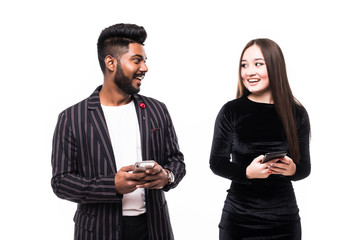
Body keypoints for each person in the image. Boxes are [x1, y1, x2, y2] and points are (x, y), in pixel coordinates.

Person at [51, 23, 186, 240]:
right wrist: (111, 185)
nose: (145, 68)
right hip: (98, 231)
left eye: (144, 61)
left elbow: (176, 161)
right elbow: (61, 182)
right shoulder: (71, 118)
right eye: (136, 60)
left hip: (154, 229)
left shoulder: (157, 109)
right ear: (111, 62)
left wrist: (166, 177)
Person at [209, 38, 311, 239]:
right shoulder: (231, 111)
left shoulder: (297, 113)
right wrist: (246, 172)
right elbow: (216, 163)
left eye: (258, 64)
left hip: (284, 221)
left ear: (275, 67)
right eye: (244, 65)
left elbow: (305, 168)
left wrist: (292, 170)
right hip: (239, 220)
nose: (249, 72)